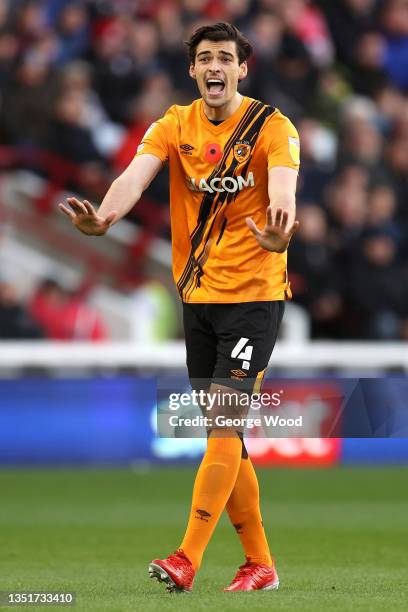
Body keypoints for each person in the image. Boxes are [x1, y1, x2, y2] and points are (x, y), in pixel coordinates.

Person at [59, 22, 300, 593]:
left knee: (222, 421)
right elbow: (133, 177)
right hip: (197, 298)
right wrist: (107, 216)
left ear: (243, 68)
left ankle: (187, 557)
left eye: (225, 58)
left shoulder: (273, 127)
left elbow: (285, 190)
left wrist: (279, 231)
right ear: (193, 71)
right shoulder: (174, 124)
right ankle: (260, 565)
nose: (214, 66)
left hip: (254, 297)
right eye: (204, 58)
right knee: (225, 434)